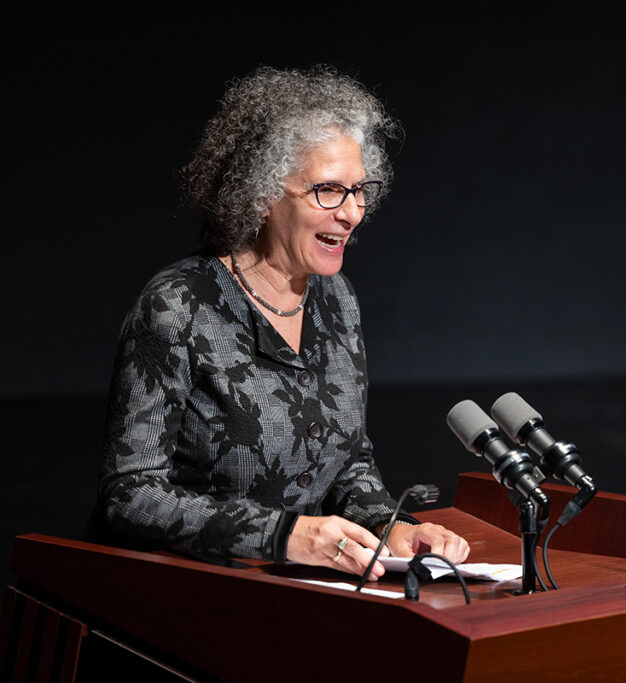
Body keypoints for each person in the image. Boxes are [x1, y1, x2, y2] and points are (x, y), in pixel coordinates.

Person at [94, 66, 469, 580]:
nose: (353, 212)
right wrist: (283, 535)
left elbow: (349, 462)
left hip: (295, 599)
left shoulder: (337, 301)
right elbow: (129, 495)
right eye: (329, 190)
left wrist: (391, 527)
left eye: (360, 190)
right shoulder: (178, 305)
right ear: (265, 193)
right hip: (183, 594)